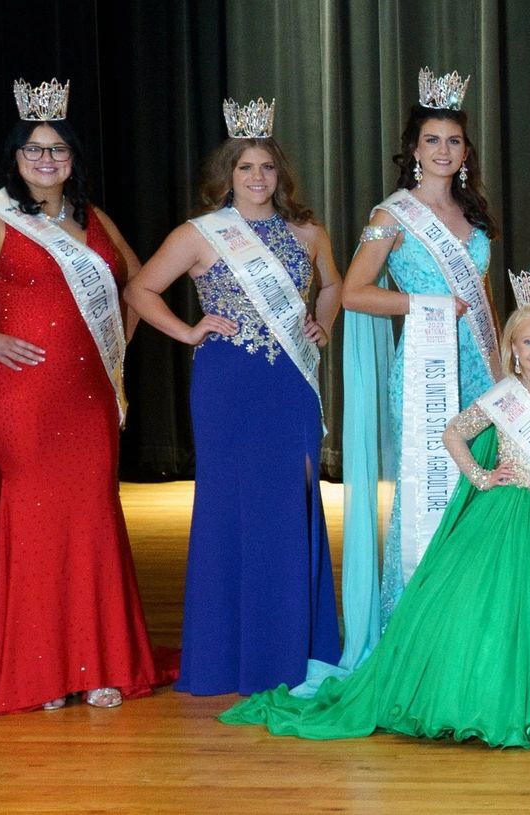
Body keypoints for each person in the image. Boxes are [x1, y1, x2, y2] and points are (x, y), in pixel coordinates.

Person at [222, 276, 530, 747]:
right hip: (506, 512)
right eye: (528, 342)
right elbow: (453, 433)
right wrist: (482, 478)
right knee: (494, 608)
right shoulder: (502, 398)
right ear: (514, 348)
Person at [0, 79, 166, 712]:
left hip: (89, 396)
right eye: (33, 150)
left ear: (74, 159)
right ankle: (44, 671)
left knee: (94, 520)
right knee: (38, 524)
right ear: (15, 159)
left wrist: (118, 350)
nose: (46, 161)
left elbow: (135, 284)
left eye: (58, 150)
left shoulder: (95, 220)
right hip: (23, 396)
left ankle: (101, 664)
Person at [126, 98, 342, 697]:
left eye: (266, 168)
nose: (256, 178)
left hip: (288, 383)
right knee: (231, 506)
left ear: (281, 174)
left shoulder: (308, 231)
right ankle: (229, 653)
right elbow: (141, 288)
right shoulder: (199, 235)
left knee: (291, 502)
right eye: (244, 168)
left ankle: (292, 647)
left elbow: (334, 285)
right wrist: (188, 330)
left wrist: (320, 323)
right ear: (227, 174)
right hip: (228, 384)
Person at [334, 68, 501, 666]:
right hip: (427, 371)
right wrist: (422, 304)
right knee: (429, 493)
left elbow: (483, 301)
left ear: (465, 151)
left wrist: (506, 369)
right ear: (412, 149)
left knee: (481, 493)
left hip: (480, 366)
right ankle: (414, 638)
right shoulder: (392, 215)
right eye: (432, 140)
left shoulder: (473, 215)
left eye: (453, 141)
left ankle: (469, 627)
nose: (443, 151)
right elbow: (354, 292)